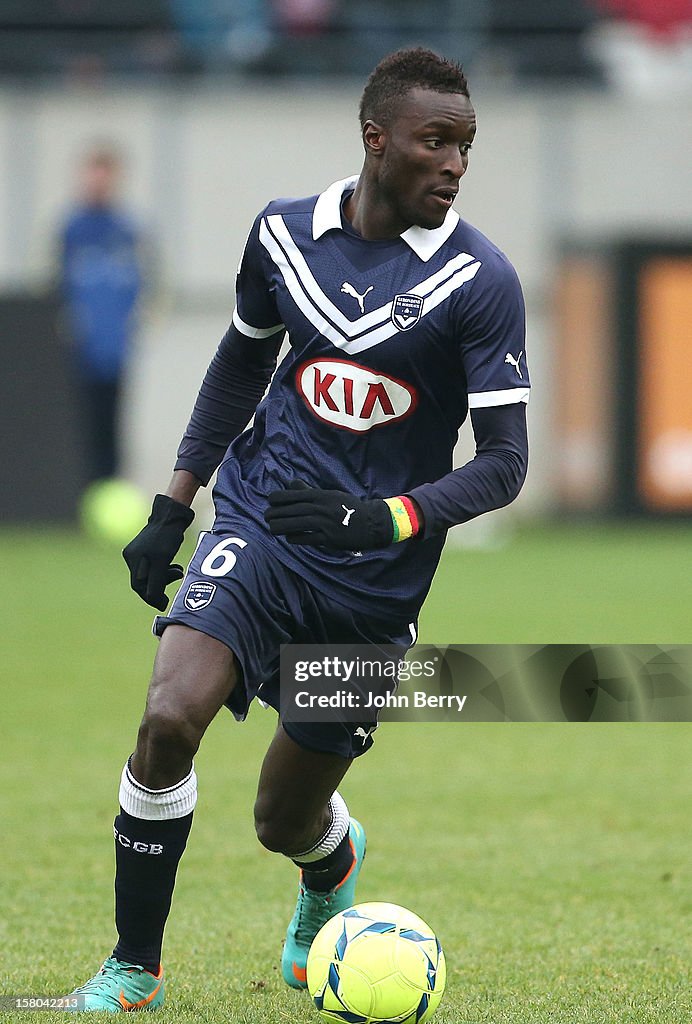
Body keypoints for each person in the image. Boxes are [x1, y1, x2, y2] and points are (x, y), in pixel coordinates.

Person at [67, 47, 529, 1011]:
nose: (454, 164)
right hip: (262, 523)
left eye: (466, 147)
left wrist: (383, 516)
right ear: (376, 140)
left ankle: (333, 864)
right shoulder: (282, 235)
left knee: (284, 819)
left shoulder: (480, 282)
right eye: (435, 142)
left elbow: (503, 464)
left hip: (374, 585)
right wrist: (174, 503)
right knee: (168, 717)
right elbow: (239, 368)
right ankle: (132, 967)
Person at [58, 144, 146, 484]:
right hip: (79, 350)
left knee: (112, 424)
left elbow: (144, 285)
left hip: (116, 348)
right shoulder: (72, 230)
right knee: (80, 426)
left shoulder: (127, 230)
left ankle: (107, 490)